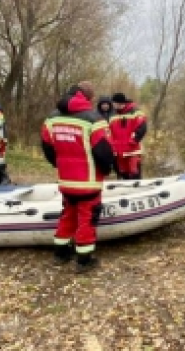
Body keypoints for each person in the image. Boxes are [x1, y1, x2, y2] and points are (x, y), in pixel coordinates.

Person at [41, 81, 115, 273]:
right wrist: (106, 170)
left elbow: (48, 147)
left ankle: (60, 253)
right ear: (88, 97)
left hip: (66, 180)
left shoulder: (51, 119)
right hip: (88, 181)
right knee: (87, 218)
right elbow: (103, 152)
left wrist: (59, 165)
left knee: (67, 214)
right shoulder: (94, 120)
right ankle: (83, 259)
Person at [108, 93, 148, 180]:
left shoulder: (136, 112)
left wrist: (133, 141)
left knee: (134, 175)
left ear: (120, 103)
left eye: (115, 104)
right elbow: (110, 132)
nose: (113, 106)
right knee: (123, 175)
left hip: (132, 151)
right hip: (118, 152)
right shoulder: (113, 116)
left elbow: (142, 127)